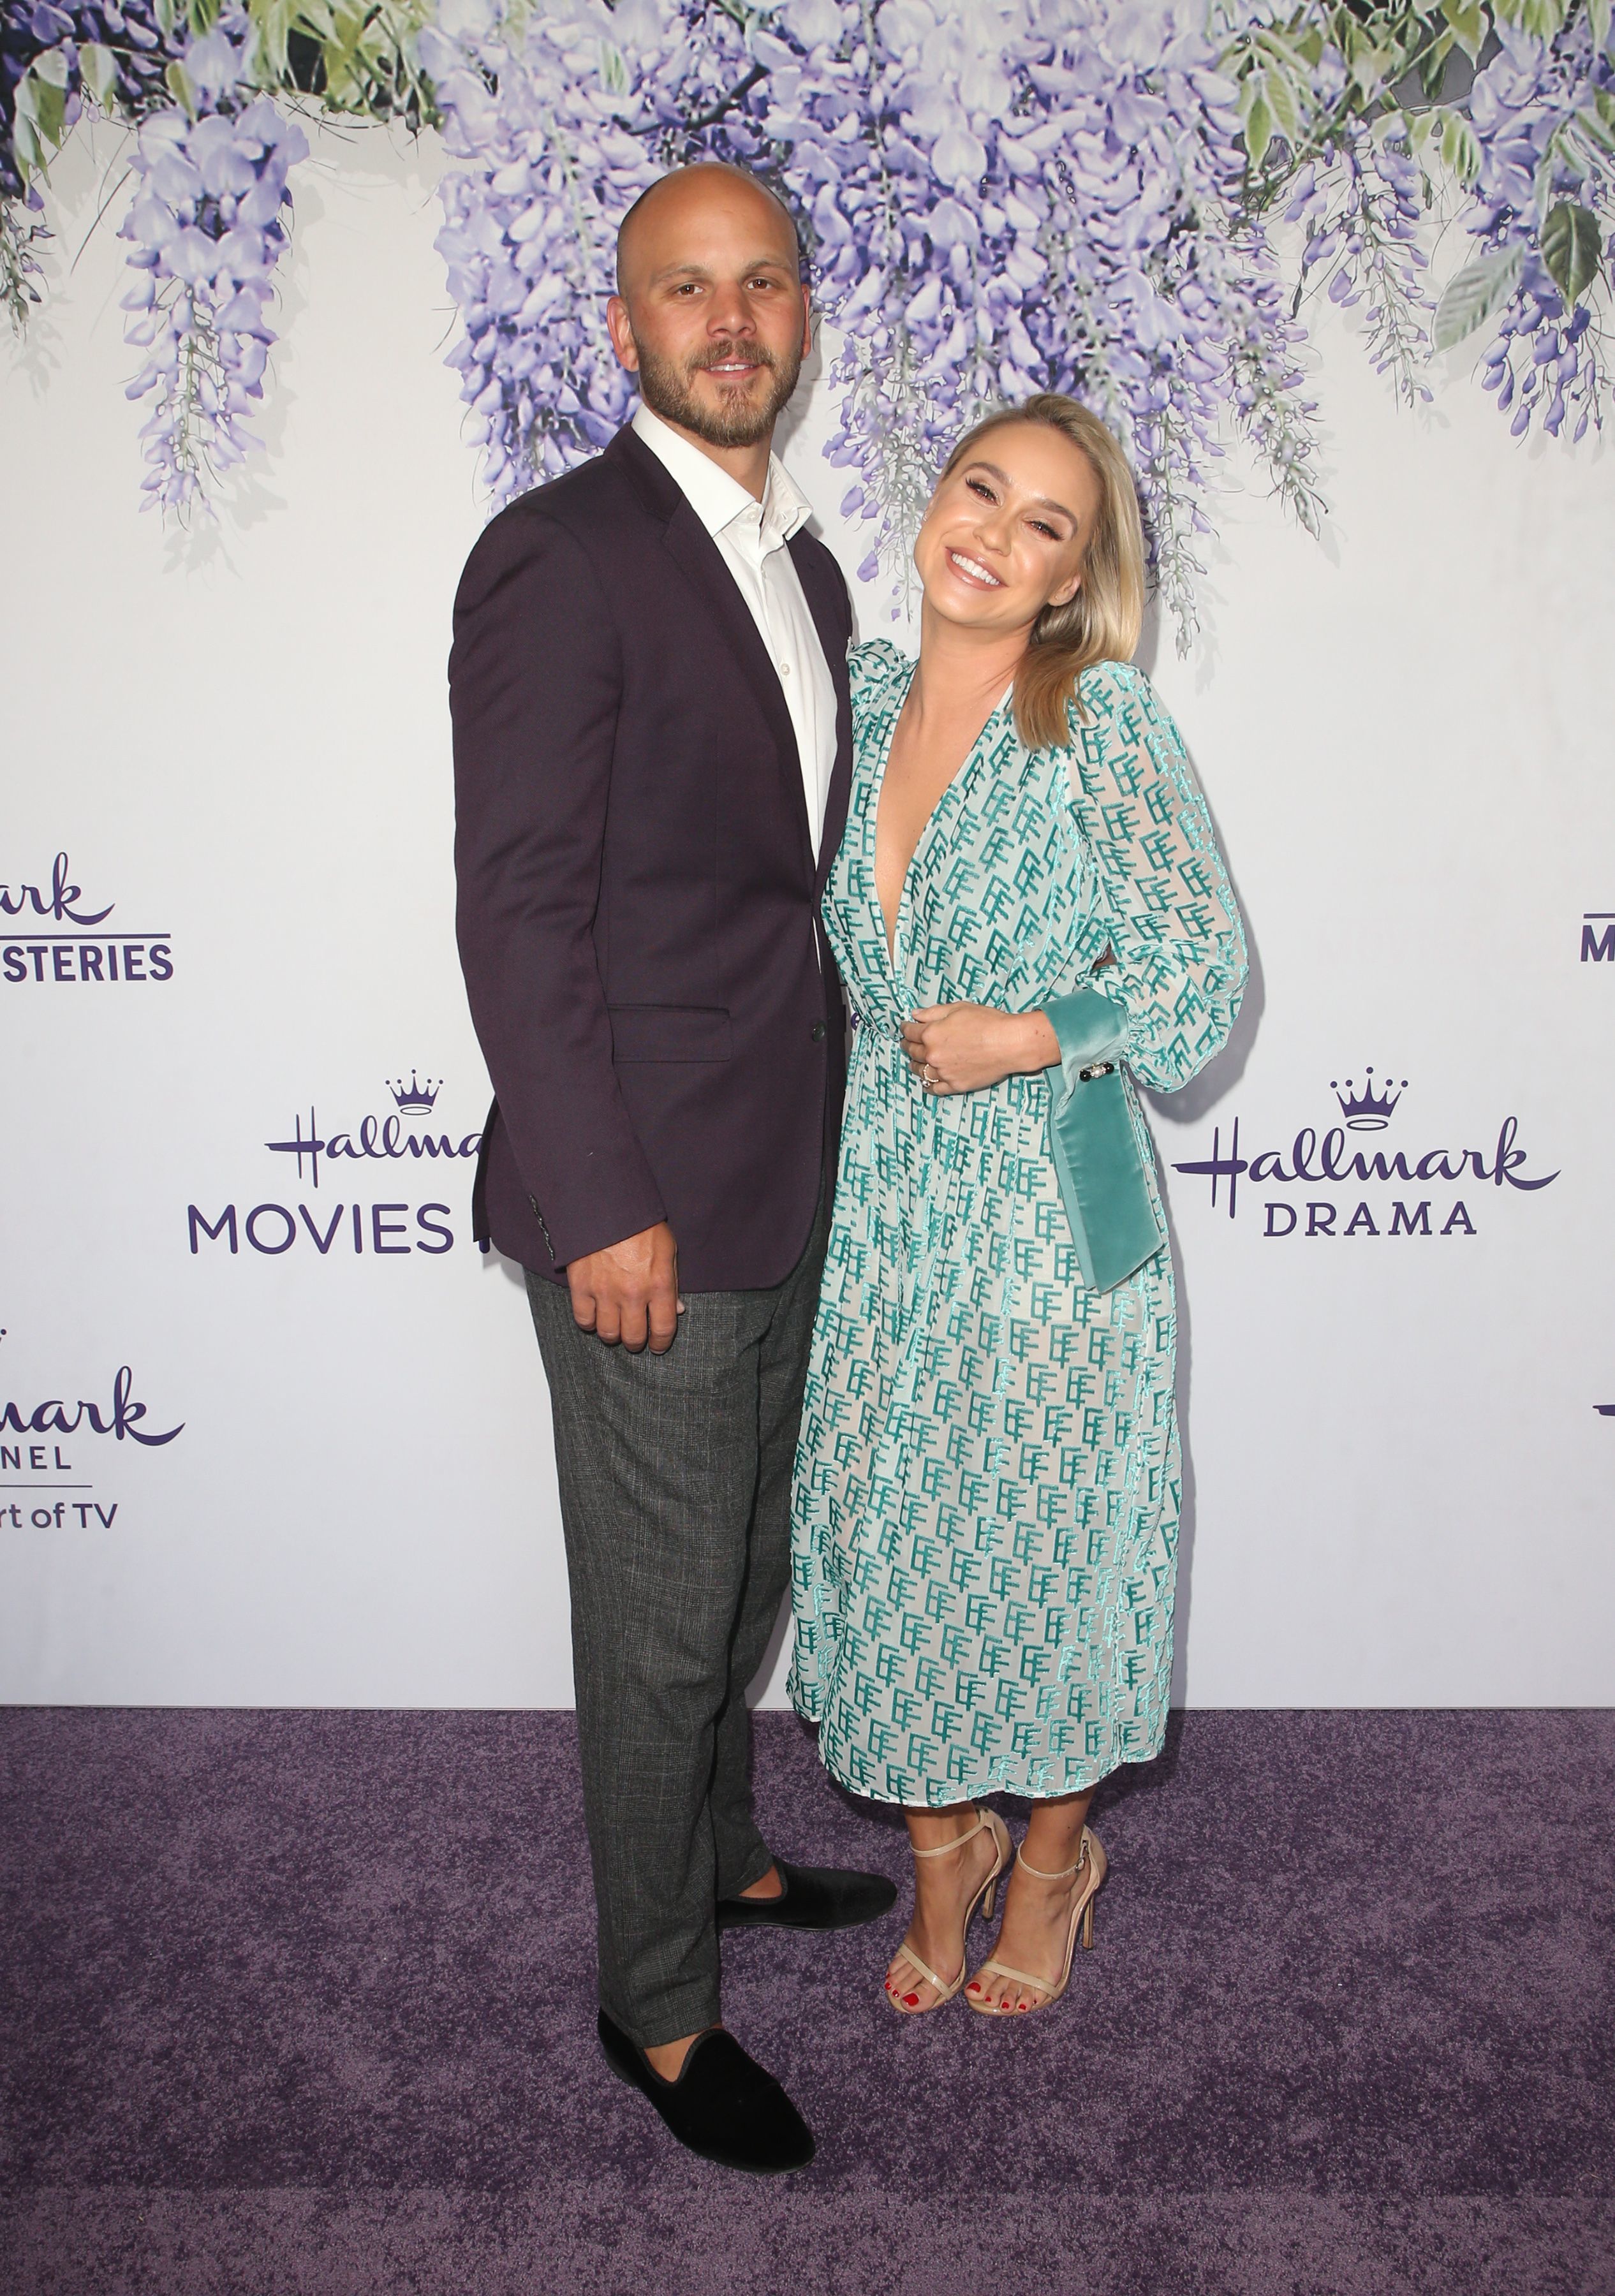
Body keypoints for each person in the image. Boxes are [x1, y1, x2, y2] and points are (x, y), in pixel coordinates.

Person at [448, 161, 894, 2175]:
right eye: (686, 289)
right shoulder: (561, 554)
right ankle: (655, 2005)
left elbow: (770, 898)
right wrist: (599, 1196)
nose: (731, 320)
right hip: (640, 1198)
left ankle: (720, 1857)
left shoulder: (808, 570)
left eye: (762, 283)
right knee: (656, 1619)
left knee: (743, 1575)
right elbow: (518, 911)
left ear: (799, 315)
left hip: (784, 1166)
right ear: (622, 327)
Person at [788, 394, 1246, 2019]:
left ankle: (1051, 1860)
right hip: (882, 1203)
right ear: (933, 500)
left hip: (1051, 1207)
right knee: (890, 1531)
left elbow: (1201, 976)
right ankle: (944, 1850)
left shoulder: (1096, 720)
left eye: (1045, 523)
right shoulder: (854, 696)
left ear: (1071, 579)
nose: (993, 532)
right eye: (979, 489)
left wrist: (1032, 1033)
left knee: (1054, 1540)